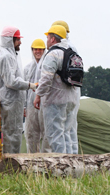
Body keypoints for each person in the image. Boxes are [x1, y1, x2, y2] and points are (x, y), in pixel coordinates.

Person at [34, 25, 78, 153]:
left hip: (56, 100)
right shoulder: (71, 52)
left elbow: (46, 79)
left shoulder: (53, 54)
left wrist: (38, 95)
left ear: (53, 39)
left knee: (55, 135)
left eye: (47, 37)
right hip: (71, 99)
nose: (46, 40)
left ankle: (62, 168)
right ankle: (72, 166)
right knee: (66, 135)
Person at [0, 26, 37, 154]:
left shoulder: (10, 54)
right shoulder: (6, 56)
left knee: (15, 132)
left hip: (13, 101)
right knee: (12, 134)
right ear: (9, 40)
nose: (20, 42)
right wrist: (30, 85)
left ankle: (12, 162)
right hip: (10, 101)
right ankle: (10, 164)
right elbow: (10, 81)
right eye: (17, 39)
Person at [52, 20, 80, 154]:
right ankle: (74, 160)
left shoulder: (60, 50)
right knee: (70, 129)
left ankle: (68, 162)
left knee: (63, 130)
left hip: (63, 93)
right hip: (74, 92)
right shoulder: (72, 48)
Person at [23, 39, 46, 153]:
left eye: (40, 49)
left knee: (46, 133)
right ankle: (32, 160)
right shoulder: (27, 68)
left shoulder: (47, 66)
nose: (38, 51)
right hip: (30, 105)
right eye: (35, 49)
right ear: (32, 50)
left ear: (44, 50)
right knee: (31, 133)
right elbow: (23, 89)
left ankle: (47, 161)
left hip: (45, 104)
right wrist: (24, 106)